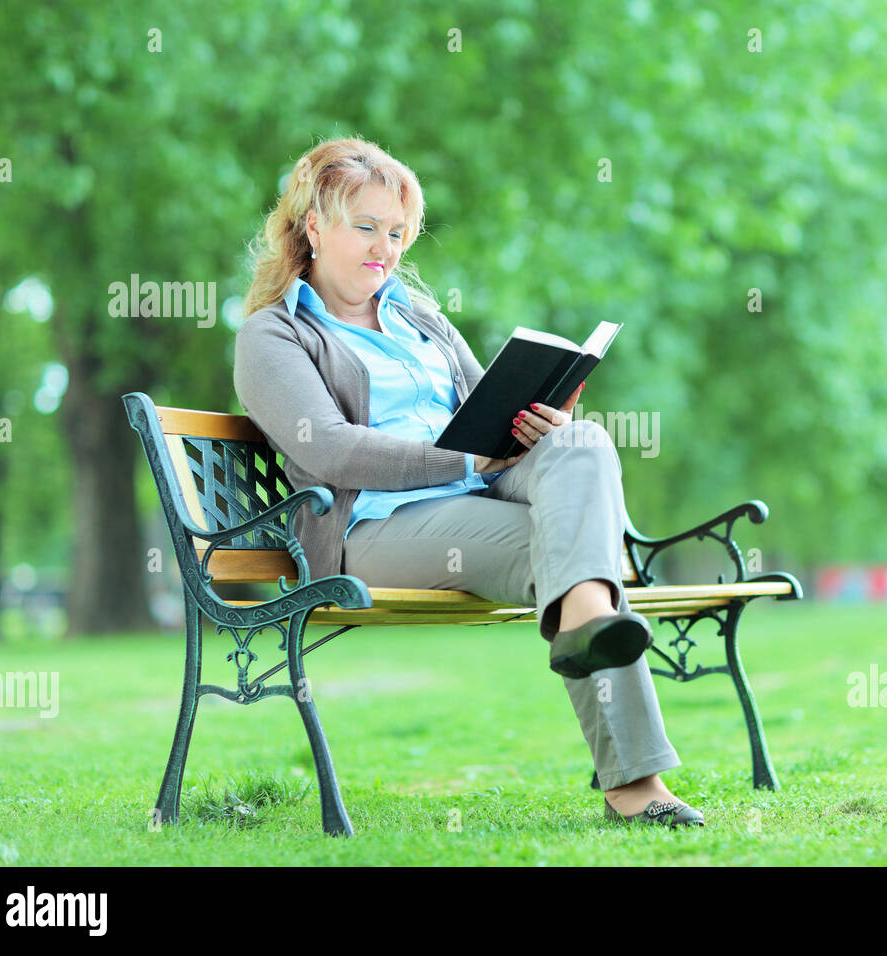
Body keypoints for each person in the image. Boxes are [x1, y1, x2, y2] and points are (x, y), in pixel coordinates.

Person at [232, 136, 702, 827]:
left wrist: (538, 420)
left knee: (582, 442)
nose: (384, 249)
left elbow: (483, 412)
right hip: (376, 527)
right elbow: (328, 449)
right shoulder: (274, 336)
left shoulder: (419, 316)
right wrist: (462, 462)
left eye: (396, 233)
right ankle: (636, 786)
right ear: (312, 225)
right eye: (366, 228)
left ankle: (585, 622)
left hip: (477, 494)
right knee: (581, 564)